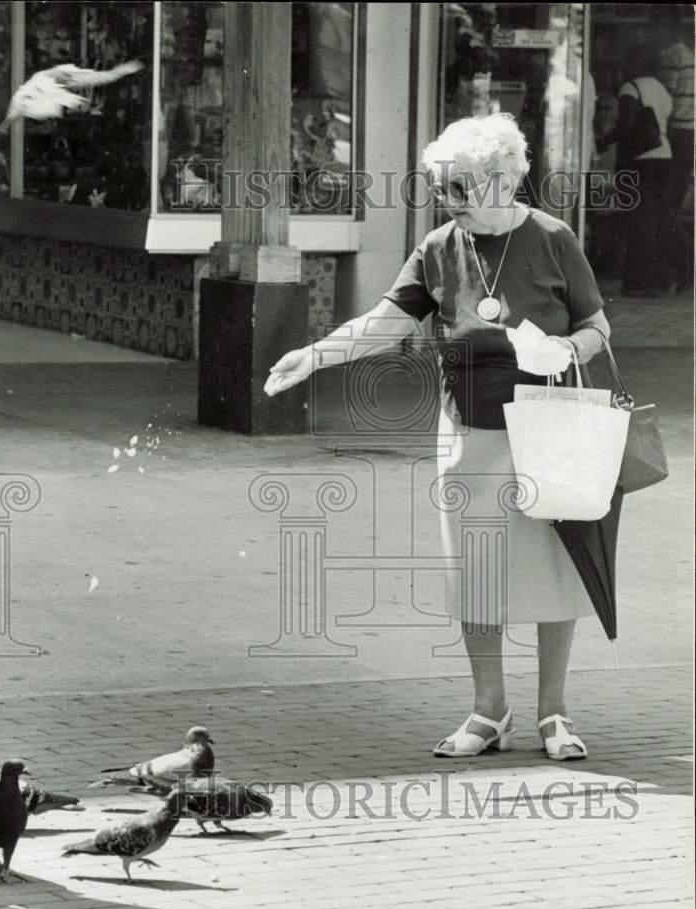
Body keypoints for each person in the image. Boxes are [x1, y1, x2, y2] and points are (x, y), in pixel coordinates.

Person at [266, 113, 611, 762]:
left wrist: (565, 345)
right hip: (468, 430)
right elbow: (382, 324)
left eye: (461, 187)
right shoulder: (437, 248)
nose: (447, 200)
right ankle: (489, 712)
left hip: (550, 424)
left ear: (506, 180)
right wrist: (314, 355)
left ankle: (553, 713)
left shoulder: (552, 238)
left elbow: (597, 329)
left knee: (555, 568)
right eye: (442, 188)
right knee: (475, 573)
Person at [615, 45, 674, 297]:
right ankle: (662, 278)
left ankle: (638, 281)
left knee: (640, 222)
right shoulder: (661, 88)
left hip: (641, 160)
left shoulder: (630, 87)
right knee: (658, 220)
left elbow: (626, 126)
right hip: (664, 156)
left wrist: (606, 139)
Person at [657, 13, 694, 291]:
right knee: (671, 205)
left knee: (664, 207)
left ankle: (684, 264)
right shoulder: (691, 57)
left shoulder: (670, 57)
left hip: (674, 136)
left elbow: (664, 100)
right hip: (688, 135)